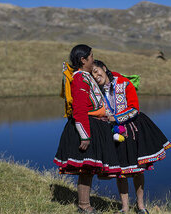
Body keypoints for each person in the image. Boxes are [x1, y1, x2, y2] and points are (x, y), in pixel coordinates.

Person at [91, 60, 171, 214]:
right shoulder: (97, 91)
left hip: (133, 130)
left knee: (137, 170)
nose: (95, 76)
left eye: (96, 71)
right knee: (120, 171)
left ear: (104, 68)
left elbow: (134, 109)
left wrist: (116, 118)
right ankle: (125, 208)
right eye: (92, 74)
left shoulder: (124, 83)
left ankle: (141, 206)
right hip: (113, 133)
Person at [54, 45, 121, 214]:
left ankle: (85, 205)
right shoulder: (79, 79)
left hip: (93, 125)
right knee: (85, 169)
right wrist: (85, 136)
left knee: (88, 170)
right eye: (91, 57)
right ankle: (84, 206)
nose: (93, 59)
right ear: (83, 60)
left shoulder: (85, 76)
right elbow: (79, 110)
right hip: (85, 127)